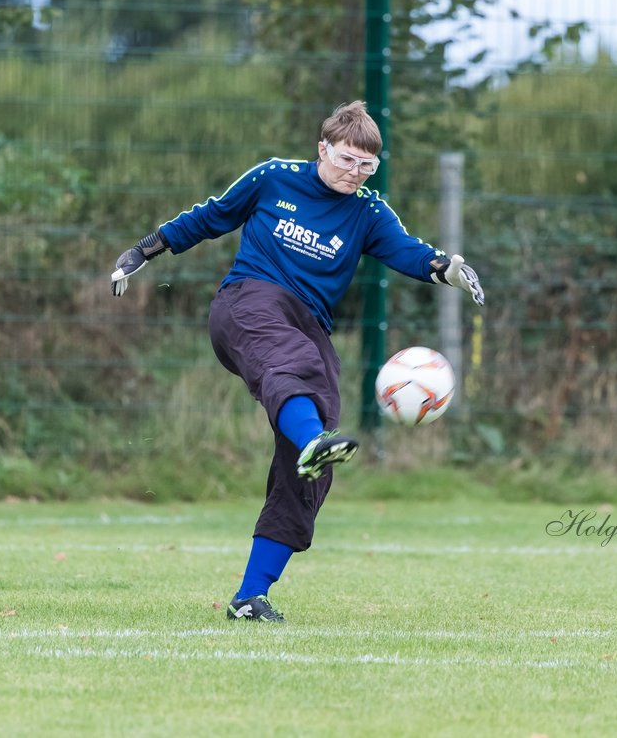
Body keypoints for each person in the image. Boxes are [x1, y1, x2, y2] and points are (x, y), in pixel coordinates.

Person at [110, 101, 485, 623]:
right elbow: (211, 216)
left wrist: (444, 268)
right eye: (347, 160)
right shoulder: (274, 178)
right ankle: (312, 439)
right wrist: (144, 249)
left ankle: (250, 595)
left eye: (367, 166)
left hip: (309, 327)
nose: (355, 173)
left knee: (306, 469)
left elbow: (405, 250)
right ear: (322, 149)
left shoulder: (368, 212)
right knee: (294, 367)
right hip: (248, 302)